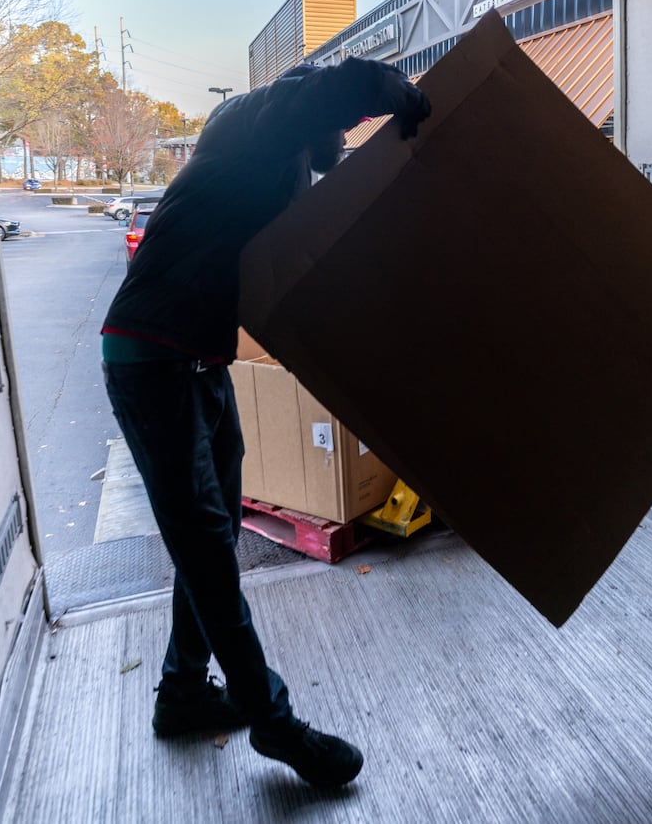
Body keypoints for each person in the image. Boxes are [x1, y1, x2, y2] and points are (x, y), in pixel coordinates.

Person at [100, 57, 431, 787]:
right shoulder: (254, 122)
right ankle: (273, 722)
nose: (338, 147)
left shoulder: (281, 165)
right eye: (336, 135)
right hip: (151, 360)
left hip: (195, 362)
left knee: (211, 533)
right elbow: (334, 88)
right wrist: (398, 95)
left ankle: (184, 691)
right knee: (209, 552)